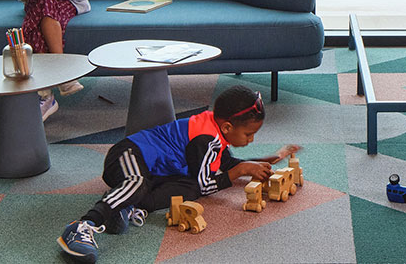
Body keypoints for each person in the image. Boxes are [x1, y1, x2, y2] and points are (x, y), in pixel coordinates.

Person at [58, 87, 299, 262]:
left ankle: (127, 205)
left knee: (189, 189)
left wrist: (265, 160)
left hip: (155, 171)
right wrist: (241, 170)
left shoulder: (217, 134)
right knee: (139, 182)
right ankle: (82, 226)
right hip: (129, 153)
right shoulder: (205, 139)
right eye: (248, 134)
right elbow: (212, 182)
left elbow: (224, 165)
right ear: (227, 127)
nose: (251, 139)